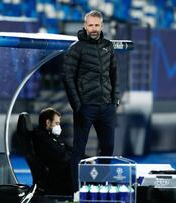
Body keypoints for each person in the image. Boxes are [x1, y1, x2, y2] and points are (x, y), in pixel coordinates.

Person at [62, 10, 119, 191]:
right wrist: (77, 105)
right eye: (90, 25)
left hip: (106, 106)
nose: (93, 28)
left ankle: (100, 186)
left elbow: (114, 74)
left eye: (97, 25)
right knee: (78, 149)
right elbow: (67, 77)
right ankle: (76, 190)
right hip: (85, 107)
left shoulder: (108, 46)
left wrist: (114, 99)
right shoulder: (76, 48)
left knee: (108, 148)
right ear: (85, 26)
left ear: (101, 26)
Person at [32, 107, 73, 195]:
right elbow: (62, 156)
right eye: (57, 123)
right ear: (48, 122)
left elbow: (65, 147)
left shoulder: (50, 136)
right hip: (57, 178)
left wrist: (84, 156)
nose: (59, 126)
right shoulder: (42, 137)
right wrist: (78, 158)